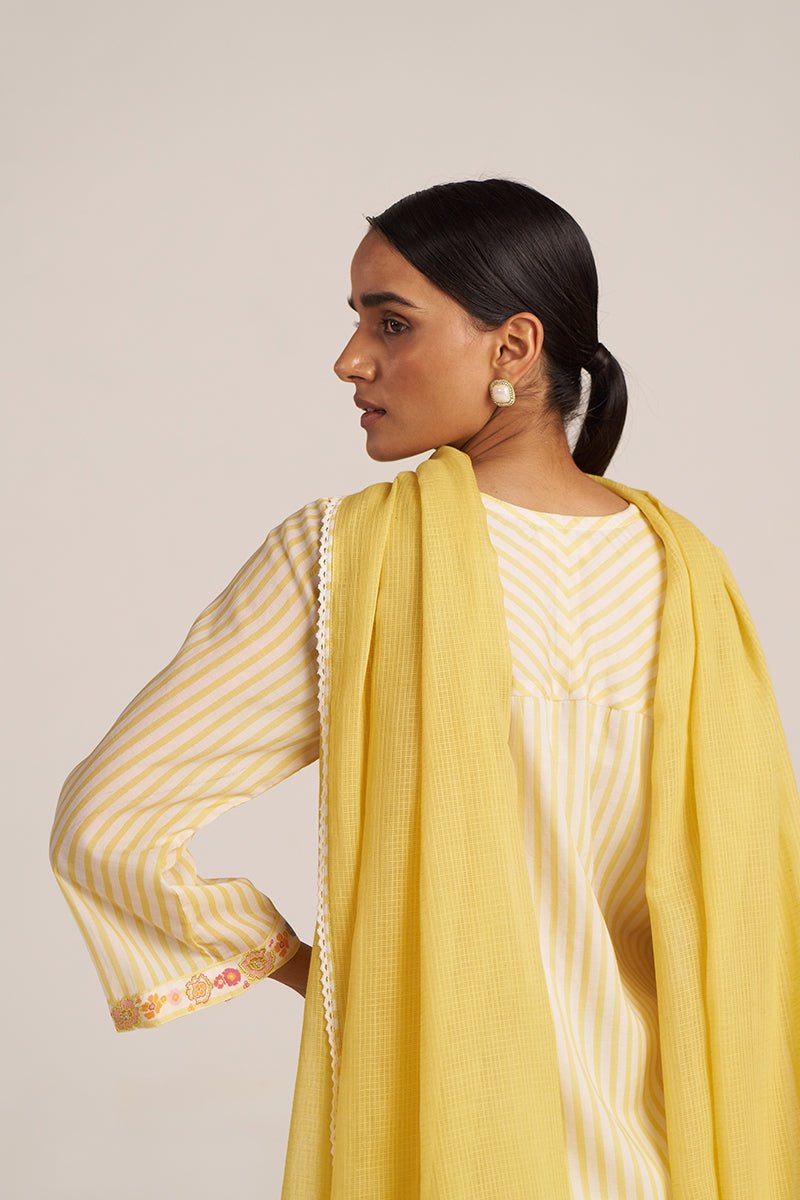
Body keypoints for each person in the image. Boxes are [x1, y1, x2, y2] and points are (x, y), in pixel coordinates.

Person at [49, 178, 799, 1199]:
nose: (349, 358)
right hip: (677, 1161)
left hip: (451, 1140)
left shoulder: (343, 559)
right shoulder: (690, 579)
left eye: (390, 323)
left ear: (513, 347)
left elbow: (105, 821)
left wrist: (330, 975)